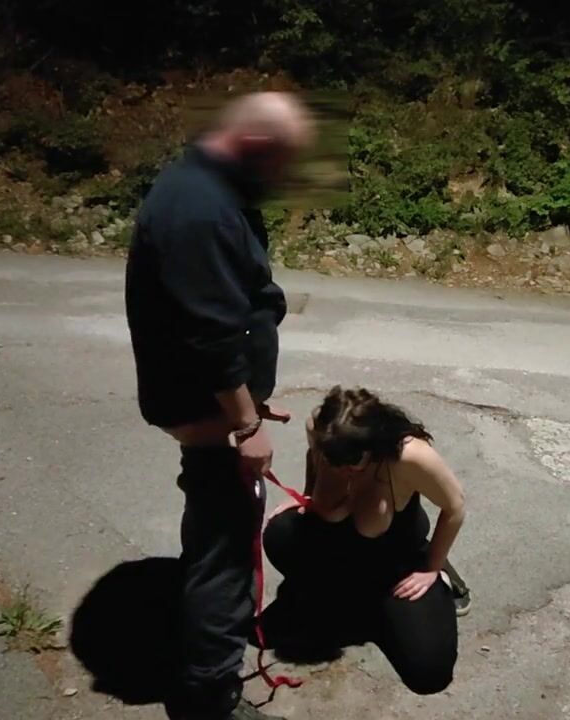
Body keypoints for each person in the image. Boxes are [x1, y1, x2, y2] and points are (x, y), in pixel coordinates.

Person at [124, 91, 314, 720]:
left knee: (214, 527)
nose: (285, 177)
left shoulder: (203, 188)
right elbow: (209, 331)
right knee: (225, 547)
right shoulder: (199, 208)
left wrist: (251, 400)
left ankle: (201, 650)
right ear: (256, 144)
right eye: (283, 162)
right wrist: (245, 420)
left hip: (210, 400)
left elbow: (225, 306)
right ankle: (208, 694)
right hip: (207, 405)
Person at [257, 386, 469, 696]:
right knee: (280, 532)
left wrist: (431, 568)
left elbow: (455, 507)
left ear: (373, 447)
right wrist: (308, 496)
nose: (343, 471)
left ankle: (441, 582)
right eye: (334, 462)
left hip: (397, 560)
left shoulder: (409, 454)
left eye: (351, 463)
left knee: (428, 672)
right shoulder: (321, 427)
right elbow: (313, 457)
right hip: (342, 549)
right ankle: (348, 602)